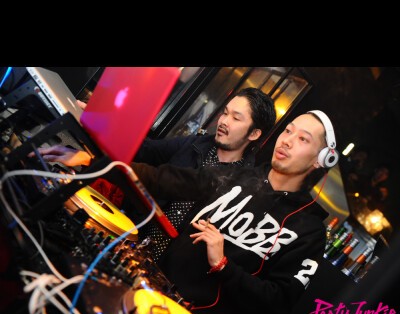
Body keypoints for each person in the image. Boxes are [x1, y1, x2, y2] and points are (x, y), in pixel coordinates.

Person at [128, 110, 337, 314]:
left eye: (303, 139)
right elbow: (166, 179)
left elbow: (278, 301)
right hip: (150, 293)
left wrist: (223, 265)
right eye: (288, 131)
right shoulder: (236, 175)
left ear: (320, 160)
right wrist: (117, 163)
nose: (287, 141)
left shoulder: (308, 230)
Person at [34, 88, 276, 261]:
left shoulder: (243, 183)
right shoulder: (197, 143)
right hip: (131, 235)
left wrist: (94, 162)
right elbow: (146, 150)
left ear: (254, 134)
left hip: (165, 263)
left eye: (236, 118)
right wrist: (103, 121)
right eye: (225, 112)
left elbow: (163, 179)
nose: (224, 121)